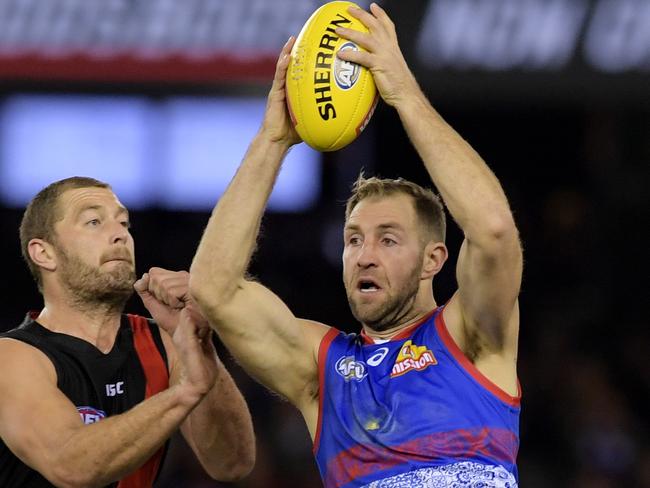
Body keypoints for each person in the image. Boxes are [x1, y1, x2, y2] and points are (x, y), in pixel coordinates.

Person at [186, 3, 522, 487]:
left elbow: (492, 230)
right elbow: (214, 287)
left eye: (388, 239)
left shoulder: (472, 333)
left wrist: (404, 93)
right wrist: (273, 139)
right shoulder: (321, 370)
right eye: (353, 239)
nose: (364, 255)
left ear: (434, 259)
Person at [0, 177, 256, 487]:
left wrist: (201, 346)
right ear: (44, 253)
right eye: (94, 221)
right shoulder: (13, 356)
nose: (120, 234)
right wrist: (186, 391)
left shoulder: (164, 341)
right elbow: (69, 465)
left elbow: (231, 464)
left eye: (124, 223)